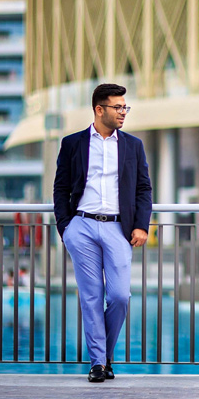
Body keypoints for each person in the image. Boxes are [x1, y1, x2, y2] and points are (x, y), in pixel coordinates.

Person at [54, 83, 152, 383]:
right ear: (99, 109)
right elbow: (61, 187)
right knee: (91, 297)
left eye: (125, 107)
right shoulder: (73, 143)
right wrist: (65, 227)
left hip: (118, 228)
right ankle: (98, 363)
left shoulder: (133, 145)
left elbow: (143, 188)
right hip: (81, 227)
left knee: (120, 295)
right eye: (118, 107)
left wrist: (141, 225)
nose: (123, 112)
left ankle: (105, 355)